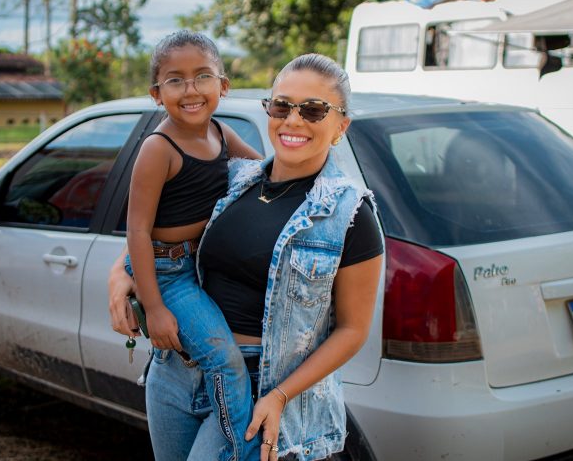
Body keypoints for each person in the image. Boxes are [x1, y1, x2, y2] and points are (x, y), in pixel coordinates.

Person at [110, 53, 384, 461]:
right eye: (281, 106)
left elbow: (352, 331)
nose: (293, 120)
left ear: (340, 125)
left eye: (313, 110)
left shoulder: (351, 215)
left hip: (257, 388)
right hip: (175, 371)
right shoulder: (236, 179)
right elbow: (163, 231)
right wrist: (120, 273)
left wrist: (279, 395)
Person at [125, 29, 263, 461]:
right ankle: (245, 448)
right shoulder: (157, 148)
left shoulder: (220, 134)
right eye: (175, 80)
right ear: (156, 93)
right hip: (169, 274)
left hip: (200, 266)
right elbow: (136, 232)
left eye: (203, 76)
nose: (190, 89)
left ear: (223, 85)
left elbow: (265, 173)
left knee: (222, 361)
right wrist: (154, 307)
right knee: (225, 361)